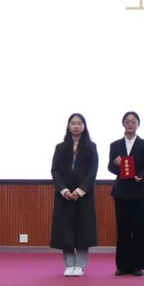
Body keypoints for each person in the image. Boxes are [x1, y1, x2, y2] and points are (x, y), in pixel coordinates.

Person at [50, 113, 98, 277]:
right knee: (66, 230)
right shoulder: (60, 147)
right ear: (68, 126)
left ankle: (81, 265)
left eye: (79, 123)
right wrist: (64, 190)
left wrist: (79, 191)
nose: (76, 126)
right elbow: (55, 171)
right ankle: (69, 264)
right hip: (64, 195)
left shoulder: (91, 147)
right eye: (73, 123)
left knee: (83, 230)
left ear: (84, 126)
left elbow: (92, 172)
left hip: (84, 195)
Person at [107, 111, 144, 276]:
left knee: (138, 229)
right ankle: (122, 266)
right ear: (123, 124)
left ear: (138, 124)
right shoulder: (115, 145)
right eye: (127, 122)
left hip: (139, 192)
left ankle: (137, 265)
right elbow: (110, 167)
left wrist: (142, 176)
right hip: (121, 192)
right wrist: (116, 164)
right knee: (122, 229)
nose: (130, 124)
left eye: (133, 122)